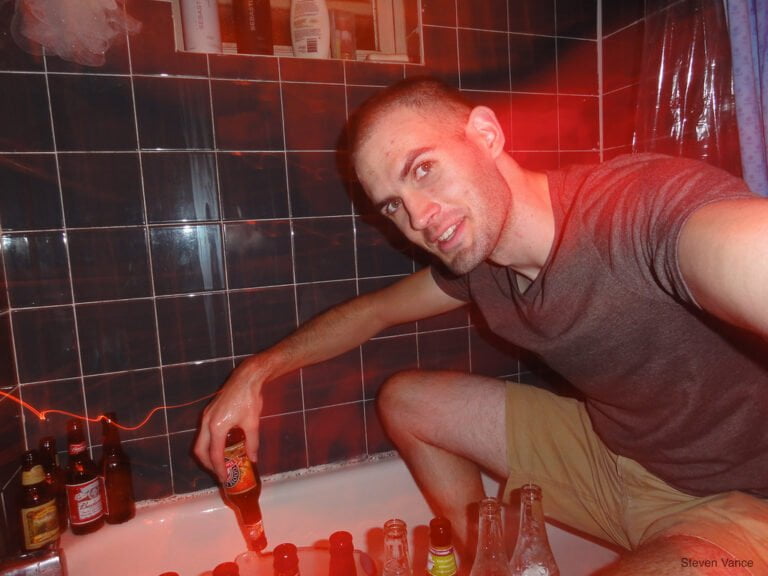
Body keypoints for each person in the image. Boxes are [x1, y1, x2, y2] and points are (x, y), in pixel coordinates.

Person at [194, 77, 768, 574]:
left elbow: (739, 251)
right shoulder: (483, 266)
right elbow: (371, 312)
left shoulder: (636, 213)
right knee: (407, 401)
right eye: (392, 204)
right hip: (613, 453)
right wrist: (255, 373)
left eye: (422, 169)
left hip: (733, 502)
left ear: (487, 136)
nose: (417, 217)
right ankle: (482, 564)